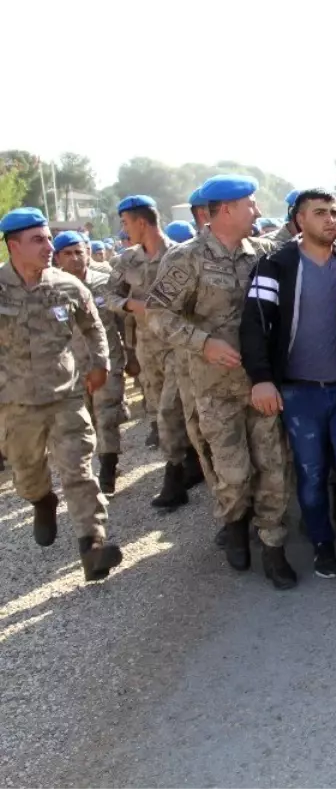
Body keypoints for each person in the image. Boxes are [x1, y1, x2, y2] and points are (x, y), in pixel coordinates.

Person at [146, 174, 296, 589]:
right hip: (213, 389)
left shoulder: (263, 254)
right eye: (250, 204)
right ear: (225, 209)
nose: (257, 211)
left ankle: (273, 544)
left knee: (274, 467)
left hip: (261, 384)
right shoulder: (187, 258)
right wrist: (203, 342)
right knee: (232, 472)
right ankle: (233, 523)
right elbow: (158, 314)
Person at [239, 189, 336, 586]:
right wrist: (262, 378)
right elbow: (253, 323)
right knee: (312, 477)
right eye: (320, 213)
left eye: (334, 212)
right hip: (300, 394)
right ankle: (321, 544)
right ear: (300, 220)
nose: (331, 220)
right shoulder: (276, 264)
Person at [0, 208, 123, 581]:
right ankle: (42, 499)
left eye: (49, 238)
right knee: (26, 472)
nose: (49, 246)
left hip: (66, 396)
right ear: (13, 245)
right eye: (38, 239)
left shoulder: (68, 286)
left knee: (79, 470)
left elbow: (93, 326)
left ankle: (93, 546)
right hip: (15, 403)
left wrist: (100, 362)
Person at [106, 194, 199, 506]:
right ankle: (191, 463)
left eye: (125, 222)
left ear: (141, 222)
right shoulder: (126, 260)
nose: (124, 229)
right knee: (158, 408)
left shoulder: (182, 255)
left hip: (179, 348)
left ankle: (174, 479)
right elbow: (108, 296)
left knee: (170, 411)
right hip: (148, 349)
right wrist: (131, 304)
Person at [54, 232, 127, 495]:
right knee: (90, 418)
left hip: (108, 360)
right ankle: (104, 458)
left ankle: (108, 469)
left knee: (107, 413)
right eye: (67, 254)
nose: (75, 258)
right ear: (58, 258)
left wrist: (131, 353)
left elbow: (122, 320)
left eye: (78, 252)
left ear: (87, 251)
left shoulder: (105, 281)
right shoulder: (52, 289)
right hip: (72, 368)